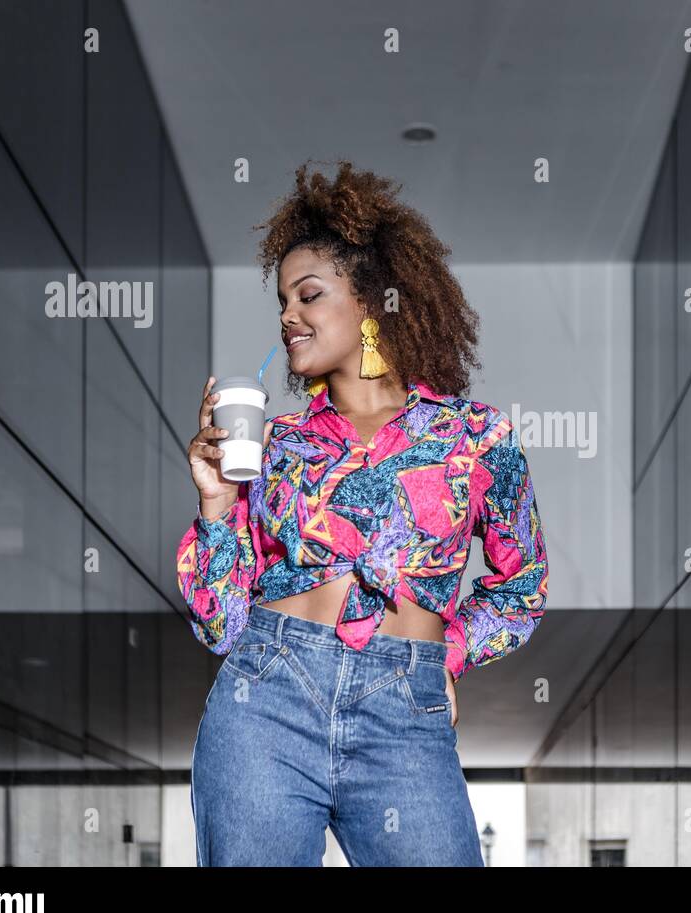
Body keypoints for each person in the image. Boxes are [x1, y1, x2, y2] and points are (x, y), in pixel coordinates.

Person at [175, 159, 549, 866]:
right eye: (282, 301)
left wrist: (452, 652)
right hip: (265, 699)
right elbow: (222, 623)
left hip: (405, 708)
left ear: (374, 300)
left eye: (308, 295)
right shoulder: (277, 444)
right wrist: (217, 503)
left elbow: (522, 588)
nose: (288, 315)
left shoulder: (477, 439)